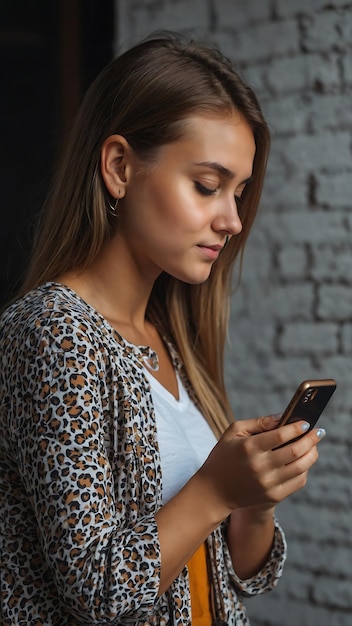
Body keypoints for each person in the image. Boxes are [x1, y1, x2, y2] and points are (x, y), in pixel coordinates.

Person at [0, 31, 326, 626]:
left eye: (240, 192)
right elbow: (96, 594)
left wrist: (254, 501)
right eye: (207, 185)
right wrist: (216, 490)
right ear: (120, 167)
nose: (231, 220)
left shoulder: (169, 339)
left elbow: (236, 578)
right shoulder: (52, 334)